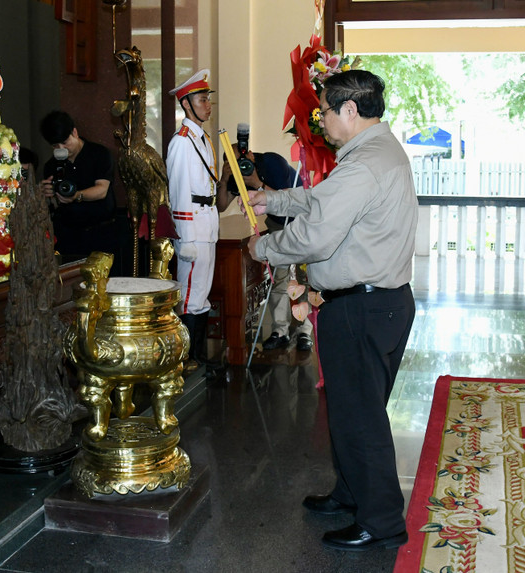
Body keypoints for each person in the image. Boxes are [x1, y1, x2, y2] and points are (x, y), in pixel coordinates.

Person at [247, 69, 418, 551]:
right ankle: (352, 493)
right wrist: (273, 198)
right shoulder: (376, 153)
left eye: (323, 110)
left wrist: (264, 248)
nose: (319, 119)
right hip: (379, 304)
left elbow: (316, 235)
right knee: (352, 412)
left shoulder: (365, 164)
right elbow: (320, 202)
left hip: (363, 309)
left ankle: (381, 522)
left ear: (349, 109)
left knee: (360, 418)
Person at [217, 144, 314, 352]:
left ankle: (305, 330)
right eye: (233, 164)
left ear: (251, 154)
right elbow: (221, 206)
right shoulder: (235, 176)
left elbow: (287, 200)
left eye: (241, 160)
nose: (240, 166)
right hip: (277, 225)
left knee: (304, 278)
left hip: (302, 222)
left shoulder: (272, 162)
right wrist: (224, 179)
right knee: (278, 278)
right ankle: (280, 330)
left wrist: (257, 183)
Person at [166, 70, 220, 369]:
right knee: (189, 296)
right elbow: (179, 192)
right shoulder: (182, 142)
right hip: (192, 228)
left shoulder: (202, 138)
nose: (207, 105)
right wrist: (185, 237)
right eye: (201, 100)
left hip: (206, 223)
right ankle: (185, 359)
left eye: (208, 99)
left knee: (201, 293)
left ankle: (198, 356)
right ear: (186, 104)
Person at [39, 111, 130, 274]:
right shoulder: (52, 166)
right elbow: (53, 205)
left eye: (65, 142)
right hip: (68, 236)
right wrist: (46, 194)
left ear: (74, 132)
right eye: (55, 146)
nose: (62, 149)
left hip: (101, 233)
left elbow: (102, 190)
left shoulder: (99, 154)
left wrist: (77, 196)